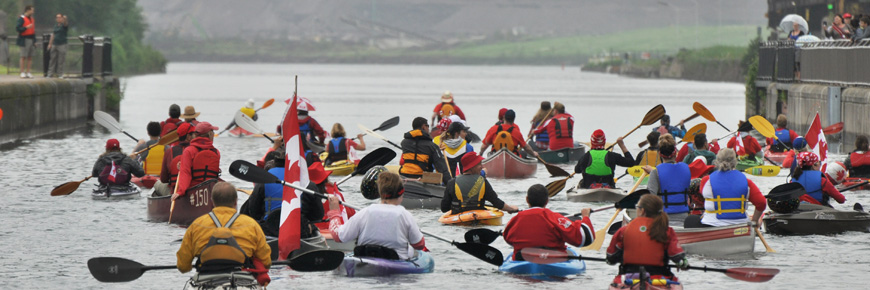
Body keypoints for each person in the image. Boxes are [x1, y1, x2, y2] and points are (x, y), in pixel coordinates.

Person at [176, 182, 271, 286]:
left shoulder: (197, 225)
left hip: (206, 281)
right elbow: (266, 262)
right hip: (242, 281)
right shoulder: (251, 225)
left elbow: (183, 266)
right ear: (235, 202)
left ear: (212, 202)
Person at [328, 172, 426, 260]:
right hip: (396, 265)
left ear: (380, 193)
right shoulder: (405, 215)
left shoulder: (365, 212)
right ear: (401, 194)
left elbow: (338, 236)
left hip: (365, 261)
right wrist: (418, 232)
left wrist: (334, 212)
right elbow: (419, 245)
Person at [606, 194, 688, 286]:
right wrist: (683, 264)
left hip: (629, 278)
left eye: (637, 207)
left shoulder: (623, 231)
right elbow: (680, 260)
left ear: (642, 211)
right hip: (658, 280)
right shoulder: (667, 231)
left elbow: (610, 258)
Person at [241, 150, 324, 237]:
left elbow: (254, 212)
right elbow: (318, 215)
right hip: (300, 232)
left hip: (269, 231)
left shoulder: (263, 179)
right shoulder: (307, 183)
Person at [503, 184, 594, 258]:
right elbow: (584, 239)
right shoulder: (555, 218)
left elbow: (508, 239)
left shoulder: (515, 219)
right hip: (552, 260)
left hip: (522, 259)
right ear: (547, 201)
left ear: (527, 200)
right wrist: (585, 217)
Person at [683, 149, 767, 228]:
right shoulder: (746, 182)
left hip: (712, 224)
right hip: (740, 225)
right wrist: (755, 221)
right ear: (735, 162)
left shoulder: (706, 181)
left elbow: (702, 194)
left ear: (716, 162)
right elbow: (762, 203)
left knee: (689, 220)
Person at [441, 152, 519, 214]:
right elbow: (497, 203)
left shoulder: (451, 182)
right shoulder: (482, 181)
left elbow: (444, 208)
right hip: (479, 216)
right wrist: (511, 209)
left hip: (458, 218)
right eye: (479, 164)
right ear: (472, 166)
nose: (482, 167)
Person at [172, 122, 221, 201]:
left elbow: (185, 173)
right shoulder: (216, 152)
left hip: (193, 190)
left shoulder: (189, 151)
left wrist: (180, 192)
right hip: (211, 189)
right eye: (213, 132)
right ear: (210, 134)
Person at [644, 135, 691, 215]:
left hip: (663, 218)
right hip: (684, 216)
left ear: (659, 153)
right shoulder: (686, 168)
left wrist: (653, 173)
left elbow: (650, 199)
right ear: (675, 152)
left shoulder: (656, 173)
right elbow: (673, 177)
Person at [399, 117, 450, 185]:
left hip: (404, 175)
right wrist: (450, 184)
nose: (428, 129)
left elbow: (402, 161)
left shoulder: (404, 143)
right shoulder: (432, 146)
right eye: (428, 126)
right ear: (424, 127)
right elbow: (442, 169)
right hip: (421, 178)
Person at [153, 123, 193, 196]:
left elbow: (163, 179)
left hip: (174, 191)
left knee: (157, 183)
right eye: (193, 133)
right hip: (193, 189)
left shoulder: (169, 151)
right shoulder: (196, 151)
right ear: (188, 137)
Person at [16, 5, 36, 79]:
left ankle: (28, 72)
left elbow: (33, 31)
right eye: (32, 10)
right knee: (23, 56)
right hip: (24, 39)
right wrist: (26, 27)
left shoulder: (32, 19)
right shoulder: (21, 19)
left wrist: (35, 41)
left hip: (31, 39)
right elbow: (18, 29)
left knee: (30, 57)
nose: (33, 12)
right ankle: (22, 72)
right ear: (28, 10)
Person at [46, 13, 68, 78]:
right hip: (54, 44)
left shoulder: (64, 25)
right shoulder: (56, 25)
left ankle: (60, 74)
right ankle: (50, 73)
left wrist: (65, 19)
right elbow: (53, 34)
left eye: (59, 17)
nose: (58, 18)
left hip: (62, 44)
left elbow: (66, 24)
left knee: (61, 60)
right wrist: (50, 44)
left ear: (61, 18)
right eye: (57, 17)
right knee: (52, 59)